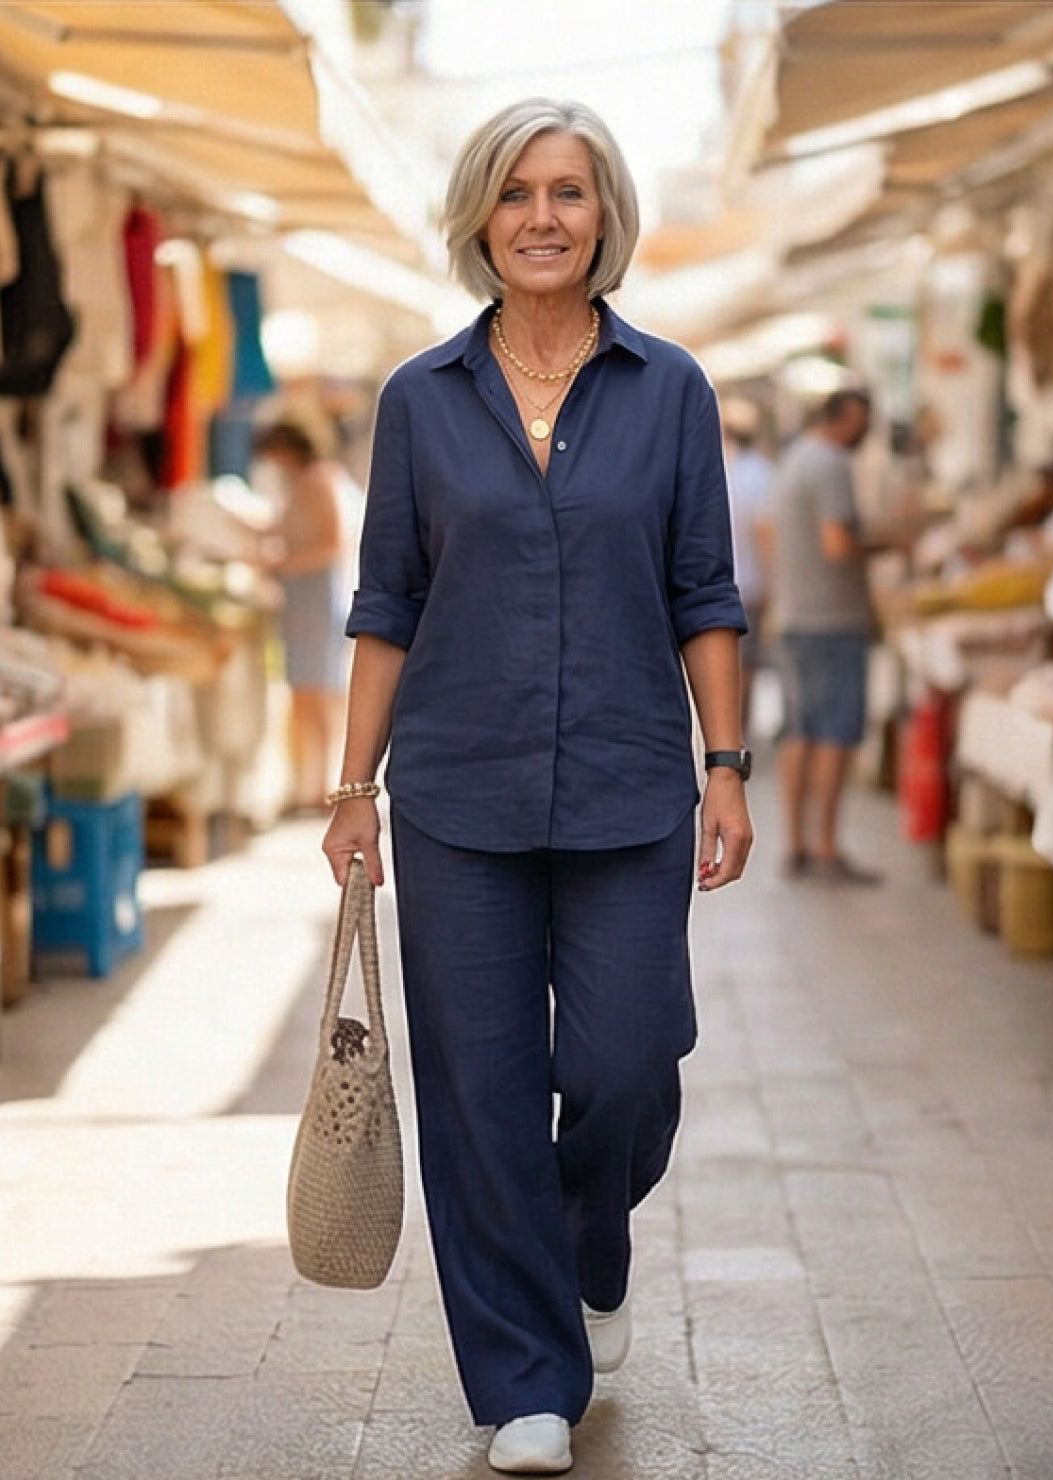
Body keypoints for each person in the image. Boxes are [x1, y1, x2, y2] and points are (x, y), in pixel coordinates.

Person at [322, 98, 753, 1475]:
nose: (542, 217)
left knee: (624, 1063)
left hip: (632, 783)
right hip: (456, 791)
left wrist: (727, 763)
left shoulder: (670, 390)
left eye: (568, 192)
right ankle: (524, 1379)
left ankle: (590, 1235)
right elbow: (385, 603)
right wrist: (351, 790)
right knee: (481, 1086)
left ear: (604, 215)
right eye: (515, 194)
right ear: (479, 219)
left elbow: (705, 592)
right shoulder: (417, 400)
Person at [771, 387, 883, 884]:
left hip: (795, 615)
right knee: (834, 734)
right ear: (846, 419)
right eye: (863, 421)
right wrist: (886, 540)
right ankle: (827, 847)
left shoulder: (794, 458)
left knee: (800, 731)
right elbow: (838, 544)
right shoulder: (831, 464)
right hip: (832, 620)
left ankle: (796, 843)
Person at [252, 418, 361, 811]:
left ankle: (323, 785)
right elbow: (277, 529)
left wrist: (286, 565)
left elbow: (333, 543)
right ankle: (305, 784)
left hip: (316, 595)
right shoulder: (300, 483)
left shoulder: (321, 480)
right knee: (303, 695)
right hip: (301, 598)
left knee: (320, 696)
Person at [720, 397, 774, 729]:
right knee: (746, 664)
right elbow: (766, 530)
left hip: (724, 581)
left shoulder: (724, 469)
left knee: (729, 660)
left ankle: (730, 729)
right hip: (751, 584)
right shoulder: (761, 473)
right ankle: (738, 728)